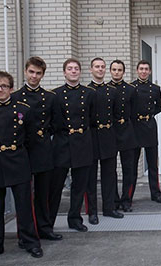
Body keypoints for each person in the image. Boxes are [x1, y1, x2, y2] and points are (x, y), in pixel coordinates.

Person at [0, 71, 43, 262]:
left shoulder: (24, 110)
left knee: (24, 207)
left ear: (11, 88)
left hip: (18, 161)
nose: (0, 89)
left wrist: (16, 151)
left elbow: (30, 137)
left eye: (4, 86)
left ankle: (30, 242)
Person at [12, 57, 63, 242]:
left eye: (38, 73)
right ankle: (25, 232)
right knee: (24, 196)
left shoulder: (50, 97)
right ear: (26, 71)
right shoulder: (15, 97)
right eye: (31, 72)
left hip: (42, 150)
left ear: (43, 75)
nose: (34, 76)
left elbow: (56, 123)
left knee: (43, 193)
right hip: (22, 152)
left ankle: (45, 228)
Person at [49, 58, 96, 232]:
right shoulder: (55, 94)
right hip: (62, 143)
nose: (73, 71)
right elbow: (53, 120)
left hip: (82, 143)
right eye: (70, 68)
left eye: (76, 68)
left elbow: (92, 118)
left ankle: (75, 219)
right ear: (64, 72)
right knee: (56, 186)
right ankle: (49, 222)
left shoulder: (89, 93)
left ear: (80, 72)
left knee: (79, 186)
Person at [85, 57, 124, 225]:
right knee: (91, 176)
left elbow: (116, 115)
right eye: (96, 67)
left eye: (102, 67)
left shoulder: (112, 91)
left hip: (108, 135)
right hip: (92, 136)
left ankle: (109, 208)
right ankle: (92, 211)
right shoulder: (85, 91)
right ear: (91, 69)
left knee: (109, 174)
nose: (100, 69)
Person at [131, 60, 161, 203]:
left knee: (152, 164)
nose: (144, 71)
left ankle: (156, 194)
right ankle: (128, 196)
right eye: (141, 69)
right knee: (132, 165)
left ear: (150, 72)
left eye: (146, 69)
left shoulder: (155, 88)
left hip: (150, 126)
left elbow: (160, 106)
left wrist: (149, 114)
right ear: (137, 71)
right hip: (135, 127)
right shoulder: (131, 87)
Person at [109, 60, 138, 212]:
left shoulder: (131, 89)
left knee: (129, 169)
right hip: (111, 133)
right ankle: (114, 200)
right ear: (110, 71)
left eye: (119, 70)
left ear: (123, 72)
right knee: (111, 170)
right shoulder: (105, 89)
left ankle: (127, 200)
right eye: (114, 69)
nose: (116, 72)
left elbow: (134, 111)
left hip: (127, 132)